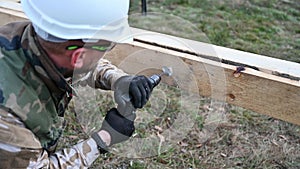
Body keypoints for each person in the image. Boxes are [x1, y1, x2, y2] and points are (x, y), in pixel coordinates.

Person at [0, 0, 153, 168]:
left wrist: (118, 79)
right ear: (78, 57)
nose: (105, 53)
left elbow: (77, 64)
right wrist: (104, 138)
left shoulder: (34, 36)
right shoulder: (7, 119)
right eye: (107, 47)